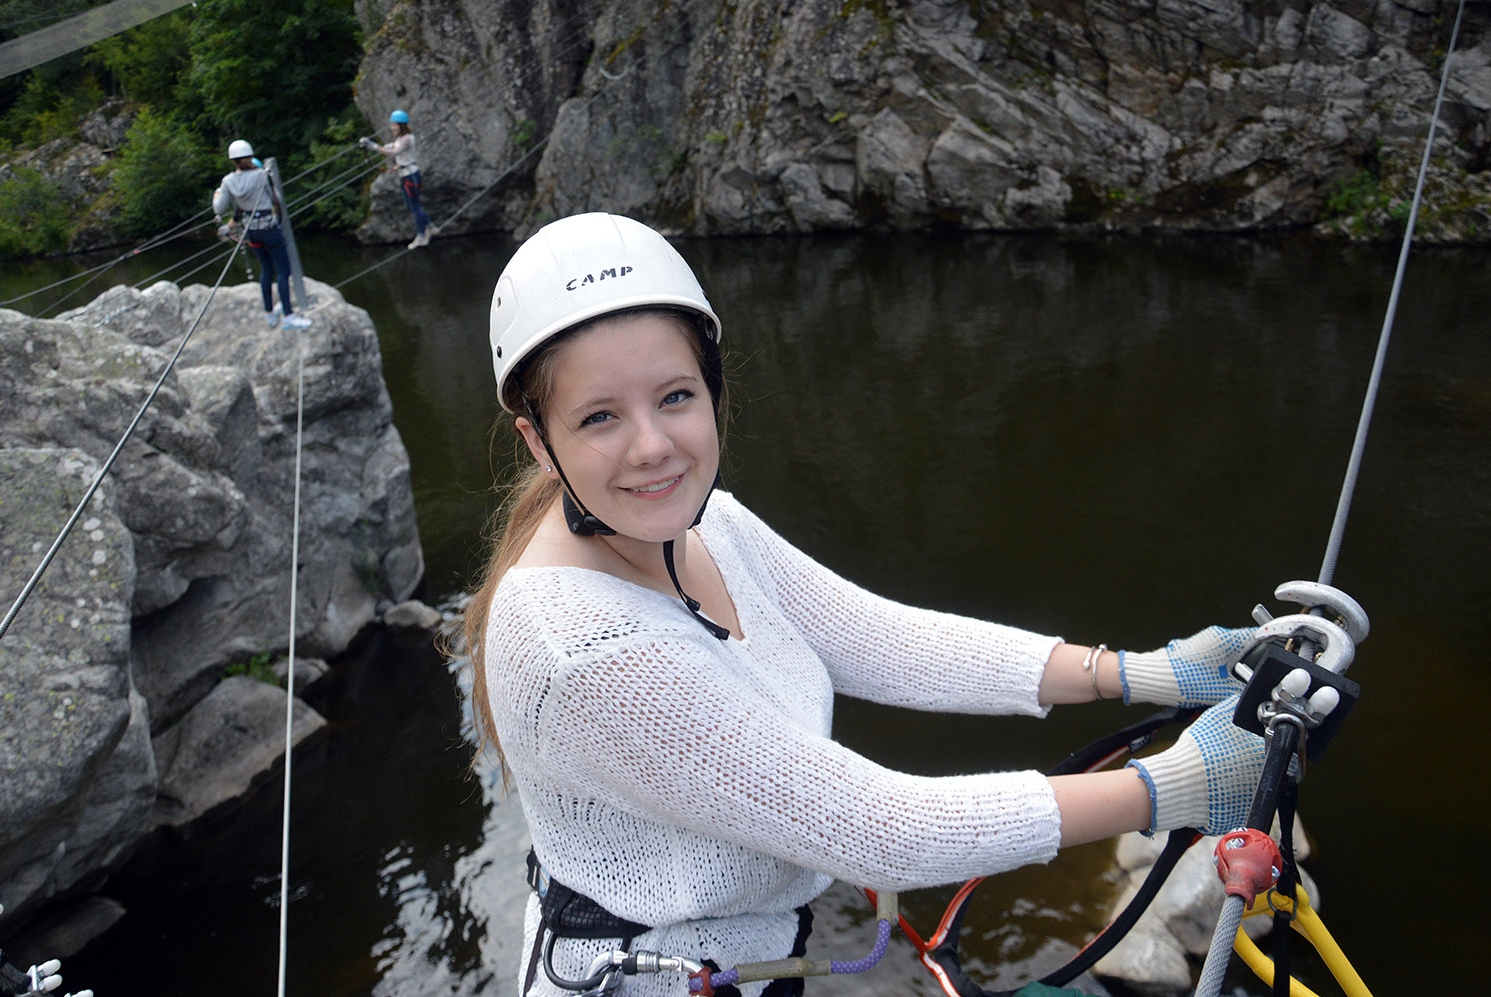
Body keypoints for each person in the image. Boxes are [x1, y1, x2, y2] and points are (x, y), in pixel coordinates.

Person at [459, 212, 1286, 997]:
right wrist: (1175, 784)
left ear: (711, 387)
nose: (652, 445)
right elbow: (880, 826)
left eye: (675, 396)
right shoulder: (584, 648)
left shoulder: (705, 519)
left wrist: (1139, 672)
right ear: (539, 439)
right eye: (600, 416)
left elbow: (882, 639)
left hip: (742, 960)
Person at [212, 140, 311, 330]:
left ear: (232, 161)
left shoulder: (228, 181)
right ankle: (289, 317)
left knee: (266, 271)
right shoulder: (261, 175)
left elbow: (219, 207)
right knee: (283, 271)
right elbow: (278, 199)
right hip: (269, 229)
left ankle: (269, 313)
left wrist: (217, 194)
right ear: (250, 156)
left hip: (251, 232)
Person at [360, 109, 442, 249]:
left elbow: (393, 152)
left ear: (402, 125)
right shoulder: (400, 138)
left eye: (395, 125)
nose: (392, 128)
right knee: (411, 206)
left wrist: (374, 147)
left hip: (411, 176)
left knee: (415, 207)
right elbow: (391, 146)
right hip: (405, 175)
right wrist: (371, 145)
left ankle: (422, 235)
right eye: (392, 125)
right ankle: (431, 227)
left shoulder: (407, 138)